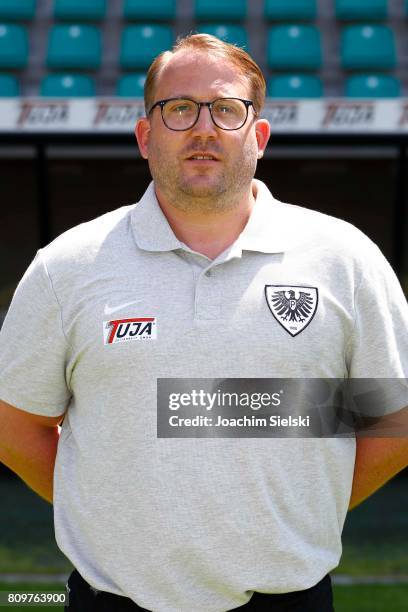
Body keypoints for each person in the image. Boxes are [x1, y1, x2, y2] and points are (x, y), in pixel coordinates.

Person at [0, 33, 407, 612]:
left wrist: (304, 502)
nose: (203, 127)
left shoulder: (345, 259)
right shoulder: (65, 268)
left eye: (226, 109)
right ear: (145, 136)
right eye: (179, 109)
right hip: (111, 600)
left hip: (288, 598)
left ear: (259, 136)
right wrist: (111, 513)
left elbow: (394, 417)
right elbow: (16, 426)